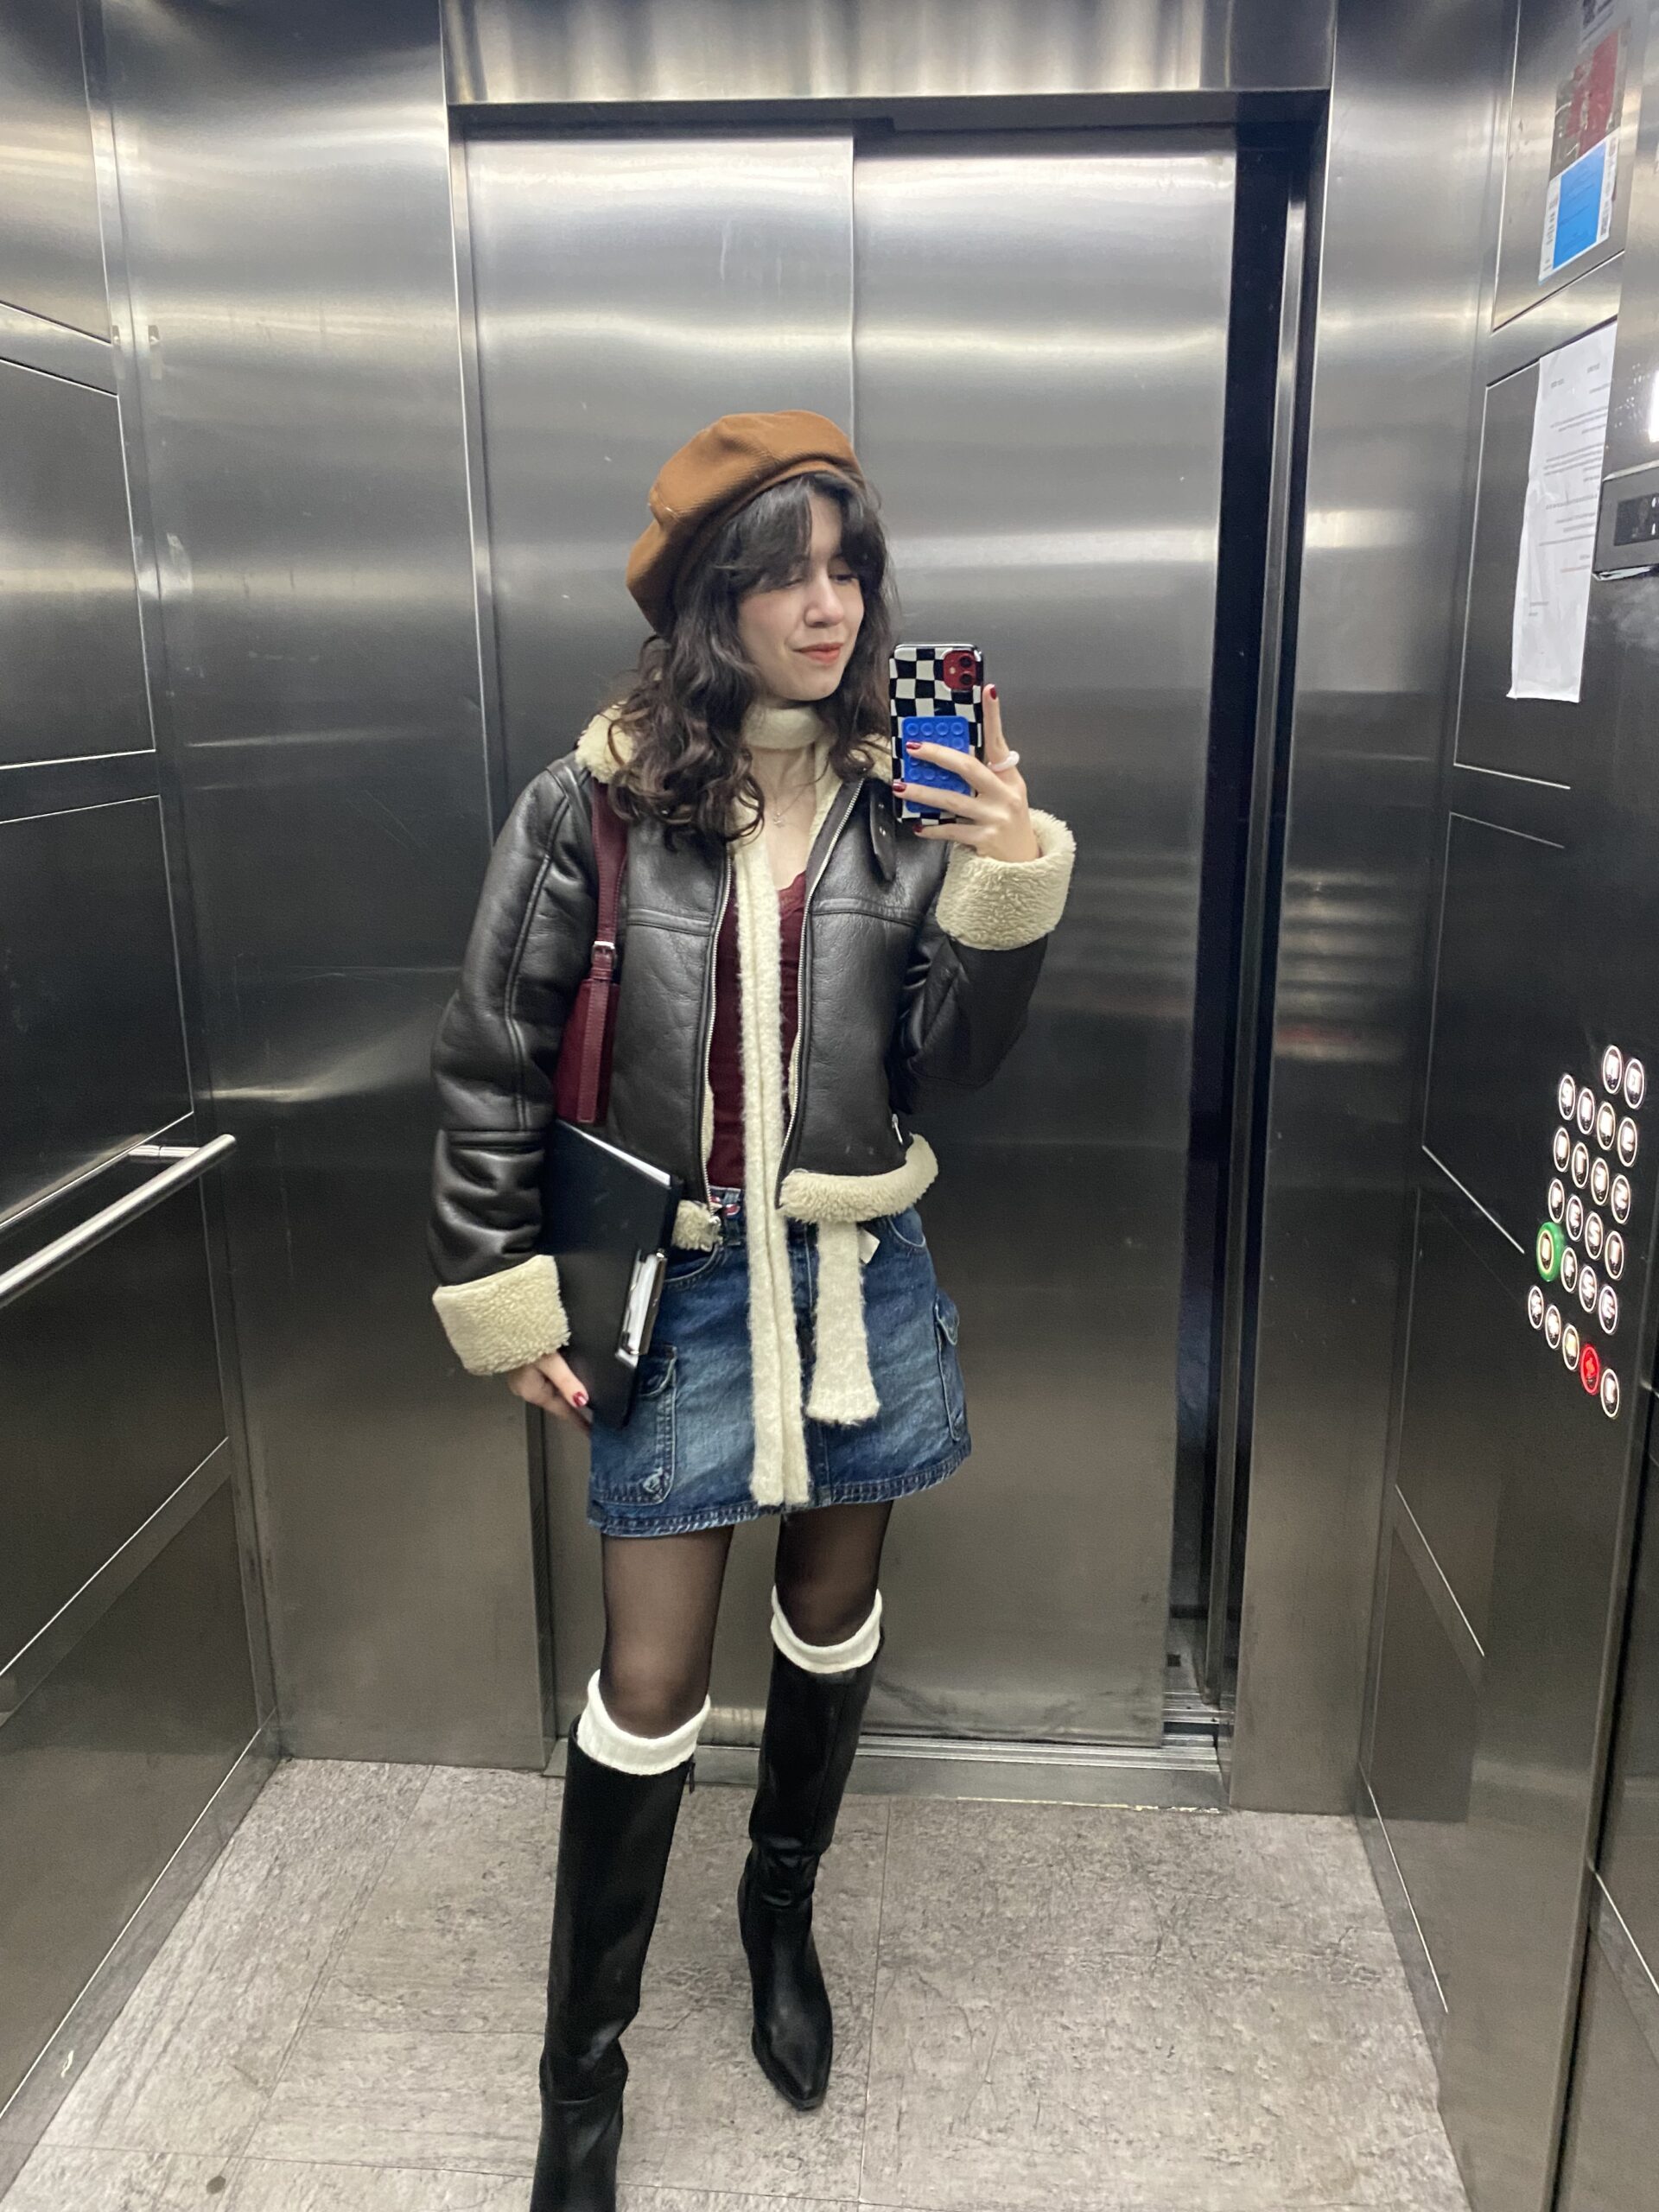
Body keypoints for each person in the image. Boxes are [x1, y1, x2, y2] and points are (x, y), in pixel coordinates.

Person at [428, 410, 1075, 2211]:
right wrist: (499, 1284)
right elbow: (490, 1056)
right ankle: (582, 2076)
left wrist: (1007, 870)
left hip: (859, 1275)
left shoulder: (903, 792)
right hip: (680, 1285)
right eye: (784, 571)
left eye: (849, 568)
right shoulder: (595, 800)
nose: (827, 604)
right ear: (710, 597)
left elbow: (953, 1059)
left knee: (831, 1612)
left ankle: (778, 1908)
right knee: (648, 1678)